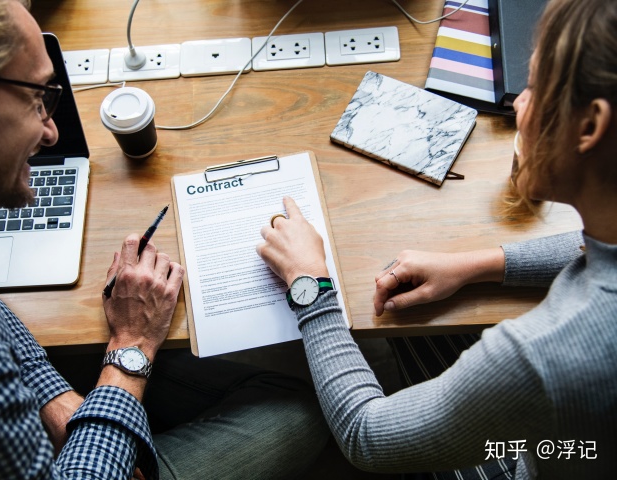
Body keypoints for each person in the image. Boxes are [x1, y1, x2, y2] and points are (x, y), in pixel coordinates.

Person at [0, 0, 327, 478]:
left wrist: (53, 396)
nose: (50, 131)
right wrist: (131, 347)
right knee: (306, 406)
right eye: (36, 99)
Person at [256, 0, 617, 478]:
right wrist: (477, 265)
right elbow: (597, 250)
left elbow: (368, 436)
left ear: (590, 126)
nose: (517, 104)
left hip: (555, 454)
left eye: (535, 86)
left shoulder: (539, 356)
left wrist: (311, 286)